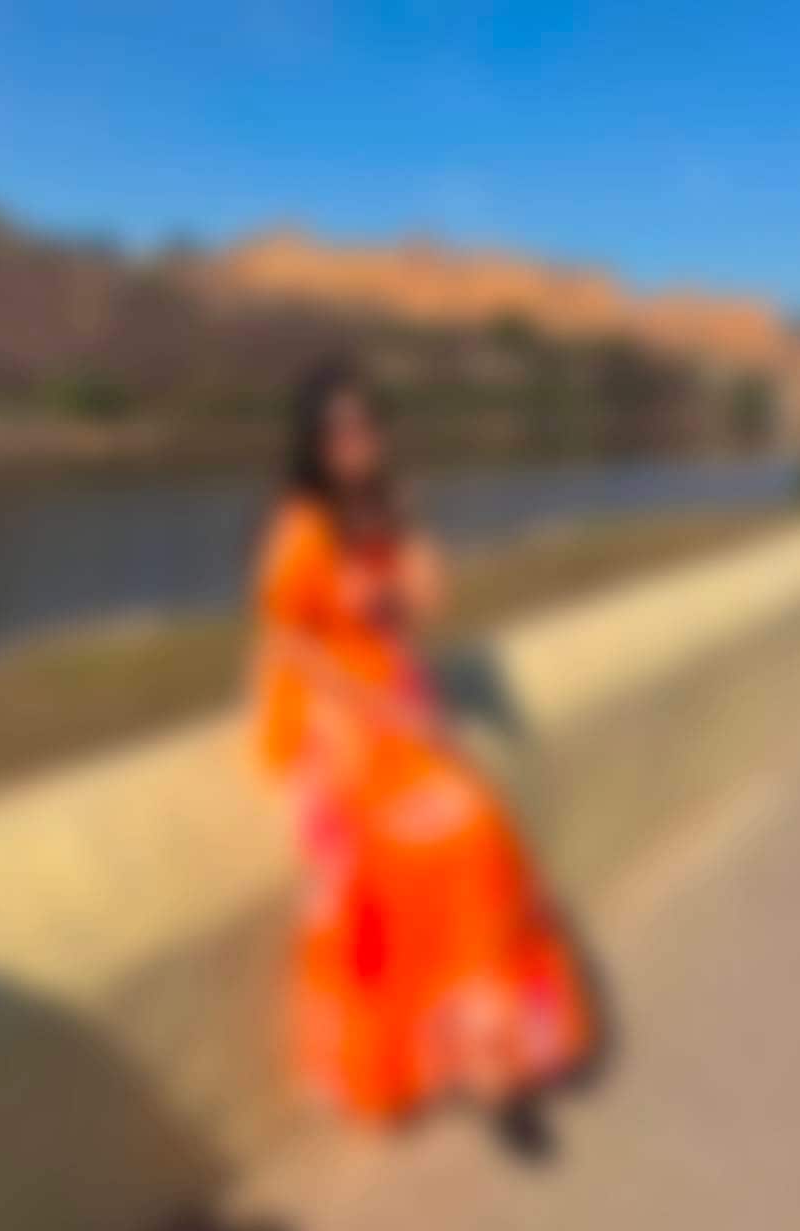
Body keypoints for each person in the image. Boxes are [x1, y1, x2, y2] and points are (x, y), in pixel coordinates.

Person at [252, 359, 594, 1151]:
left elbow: (432, 602)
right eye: (337, 429)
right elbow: (289, 645)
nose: (354, 440)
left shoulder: (381, 514)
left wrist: (409, 524)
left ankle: (488, 1042)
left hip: (397, 700)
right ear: (313, 441)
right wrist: (383, 710)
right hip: (335, 714)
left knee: (480, 825)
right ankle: (429, 1049)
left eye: (365, 423)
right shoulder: (300, 527)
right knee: (405, 844)